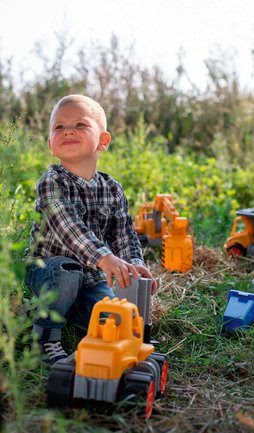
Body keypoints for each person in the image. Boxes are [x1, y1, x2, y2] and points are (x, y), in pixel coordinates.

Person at [26, 94, 157, 365]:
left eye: (80, 125)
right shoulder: (51, 182)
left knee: (110, 317)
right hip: (49, 271)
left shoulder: (112, 189)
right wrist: (104, 258)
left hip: (91, 279)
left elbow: (123, 235)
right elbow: (67, 226)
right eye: (59, 127)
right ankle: (44, 339)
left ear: (103, 141)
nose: (68, 131)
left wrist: (133, 265)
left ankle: (66, 310)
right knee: (66, 272)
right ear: (51, 144)